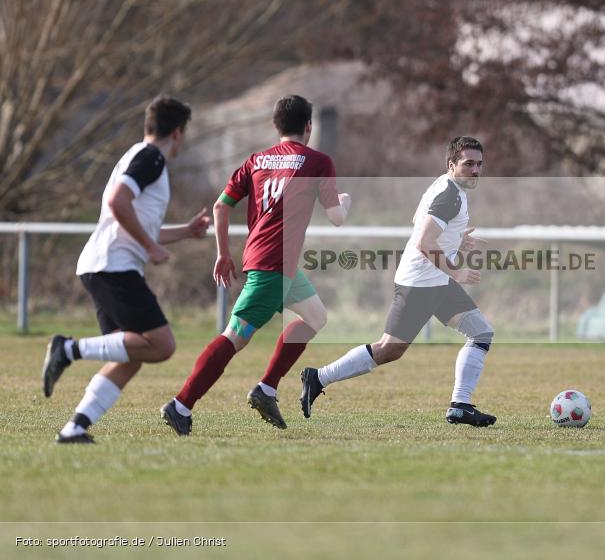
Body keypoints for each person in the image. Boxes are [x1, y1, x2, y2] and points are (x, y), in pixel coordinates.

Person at [161, 95, 351, 435]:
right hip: (273, 266)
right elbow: (337, 217)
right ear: (309, 126)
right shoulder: (317, 161)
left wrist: (223, 253)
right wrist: (345, 202)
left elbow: (221, 207)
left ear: (276, 126)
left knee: (315, 316)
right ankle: (181, 405)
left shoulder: (257, 160)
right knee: (234, 336)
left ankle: (267, 389)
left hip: (273, 262)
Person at [299, 136, 497, 427]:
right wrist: (456, 272)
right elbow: (423, 241)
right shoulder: (450, 195)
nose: (476, 170)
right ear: (451, 164)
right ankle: (318, 377)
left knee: (481, 333)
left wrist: (455, 239)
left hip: (436, 281)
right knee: (389, 349)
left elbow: (417, 219)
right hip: (421, 284)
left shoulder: (445, 185)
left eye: (479, 164)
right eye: (468, 164)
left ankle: (460, 406)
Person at [43, 95, 207, 444]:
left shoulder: (137, 155)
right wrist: (150, 248)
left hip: (103, 265)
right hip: (113, 267)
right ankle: (67, 349)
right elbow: (118, 202)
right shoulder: (152, 158)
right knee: (161, 345)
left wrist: (185, 232)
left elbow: (135, 220)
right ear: (177, 133)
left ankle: (74, 428)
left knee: (131, 355)